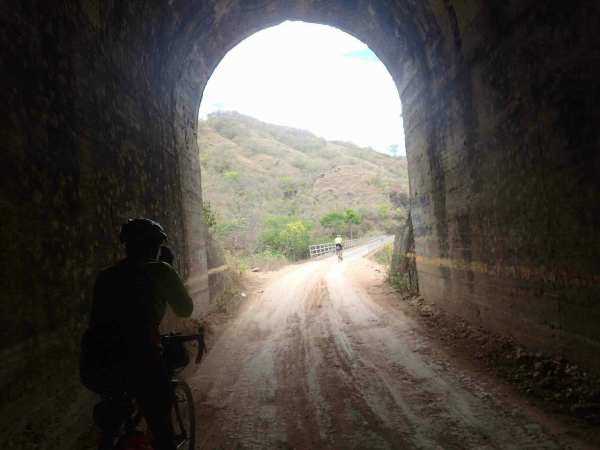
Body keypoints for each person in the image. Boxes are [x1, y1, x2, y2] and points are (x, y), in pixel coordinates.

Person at [82, 218, 193, 450]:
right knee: (160, 424)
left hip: (98, 360)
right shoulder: (161, 270)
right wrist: (166, 271)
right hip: (143, 358)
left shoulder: (106, 275)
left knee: (112, 423)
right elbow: (185, 309)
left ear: (127, 246)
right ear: (156, 246)